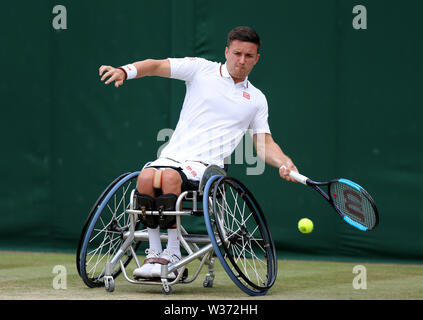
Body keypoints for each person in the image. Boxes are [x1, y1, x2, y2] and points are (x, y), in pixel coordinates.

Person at [99, 26, 298, 279]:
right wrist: (124, 72)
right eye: (237, 53)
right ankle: (154, 253)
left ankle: (172, 254)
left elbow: (264, 144)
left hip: (209, 167)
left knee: (168, 178)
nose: (241, 61)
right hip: (172, 156)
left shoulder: (257, 99)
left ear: (257, 58)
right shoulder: (201, 69)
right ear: (226, 52)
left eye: (249, 56)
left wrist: (285, 162)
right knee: (146, 177)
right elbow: (156, 66)